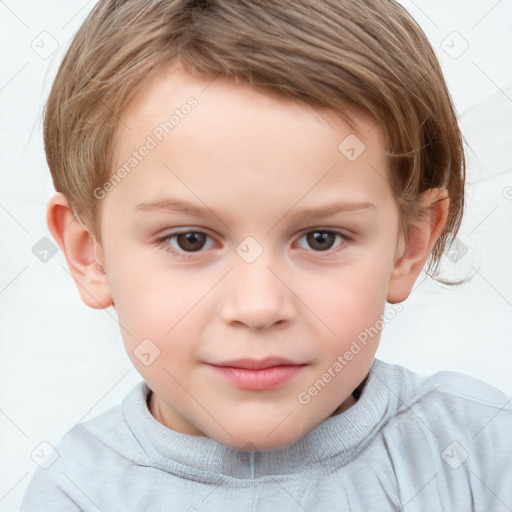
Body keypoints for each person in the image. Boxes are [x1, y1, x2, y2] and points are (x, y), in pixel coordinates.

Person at [21, 0, 511, 510]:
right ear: (90, 256)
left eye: (321, 238)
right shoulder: (75, 493)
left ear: (407, 246)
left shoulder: (480, 454)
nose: (258, 307)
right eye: (190, 240)